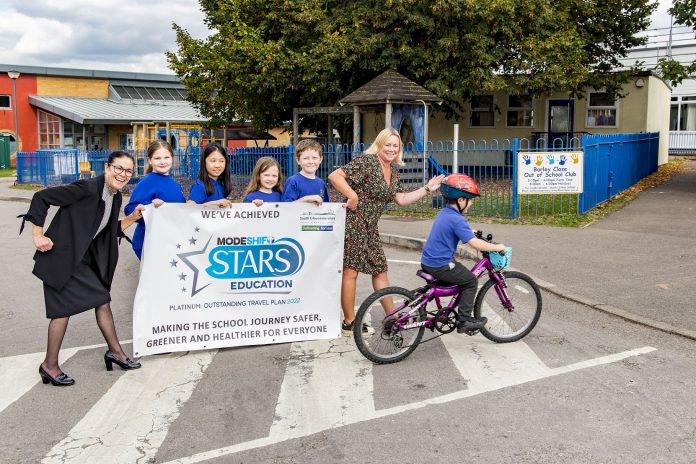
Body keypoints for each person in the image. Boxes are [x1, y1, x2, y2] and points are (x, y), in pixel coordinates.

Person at [19, 151, 145, 387]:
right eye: (118, 168)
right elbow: (41, 197)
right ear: (107, 168)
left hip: (79, 261)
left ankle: (115, 353)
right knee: (62, 311)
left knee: (101, 300)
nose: (123, 174)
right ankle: (50, 365)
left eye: (128, 171)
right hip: (60, 258)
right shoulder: (86, 188)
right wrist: (38, 235)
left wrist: (133, 218)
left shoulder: (114, 196)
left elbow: (107, 231)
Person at [328, 128, 445, 335]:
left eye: (395, 145)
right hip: (353, 224)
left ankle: (392, 314)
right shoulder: (368, 162)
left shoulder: (393, 170)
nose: (391, 149)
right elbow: (335, 176)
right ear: (379, 145)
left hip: (370, 226)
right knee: (351, 271)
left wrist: (427, 189)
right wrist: (352, 195)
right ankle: (349, 322)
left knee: (380, 269)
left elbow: (401, 199)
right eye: (387, 145)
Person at [420, 173, 506, 333]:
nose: (471, 203)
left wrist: (469, 231)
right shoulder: (457, 219)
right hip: (441, 265)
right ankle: (464, 321)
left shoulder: (446, 213)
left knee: (457, 280)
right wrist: (496, 247)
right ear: (460, 200)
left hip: (428, 262)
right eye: (470, 200)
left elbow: (457, 231)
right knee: (471, 281)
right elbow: (474, 243)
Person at [125, 140, 185, 259]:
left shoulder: (174, 184)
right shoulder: (147, 181)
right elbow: (130, 209)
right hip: (151, 243)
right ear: (150, 161)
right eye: (157, 158)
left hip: (170, 242)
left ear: (172, 158)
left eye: (166, 157)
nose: (163, 162)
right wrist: (150, 205)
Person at [282, 139, 330, 205]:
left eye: (314, 158)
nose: (310, 162)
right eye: (305, 158)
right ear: (298, 160)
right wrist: (306, 199)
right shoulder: (293, 181)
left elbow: (325, 206)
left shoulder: (321, 183)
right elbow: (285, 207)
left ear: (320, 159)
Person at [187, 142, 233, 207]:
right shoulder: (200, 186)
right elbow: (189, 208)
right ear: (204, 162)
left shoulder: (221, 184)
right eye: (213, 161)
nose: (217, 165)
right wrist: (214, 204)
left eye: (221, 161)